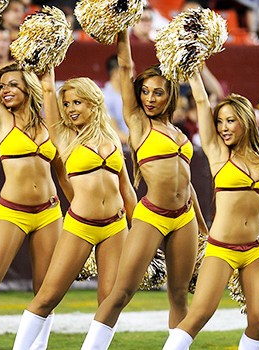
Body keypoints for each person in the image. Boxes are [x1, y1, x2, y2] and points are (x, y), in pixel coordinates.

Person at [80, 28, 208, 349]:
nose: (150, 98)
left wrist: (203, 227)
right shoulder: (138, 122)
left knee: (179, 295)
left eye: (158, 93)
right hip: (152, 216)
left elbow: (187, 184)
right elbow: (126, 67)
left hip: (186, 219)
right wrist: (122, 28)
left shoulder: (178, 132)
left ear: (170, 96)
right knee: (120, 292)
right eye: (146, 92)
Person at [12, 67, 137, 349]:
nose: (70, 109)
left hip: (116, 226)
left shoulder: (113, 137)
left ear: (93, 103)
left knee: (111, 300)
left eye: (76, 102)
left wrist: (141, 229)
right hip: (81, 225)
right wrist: (48, 71)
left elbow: (126, 188)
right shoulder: (64, 136)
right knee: (47, 296)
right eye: (66, 104)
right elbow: (47, 92)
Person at [162, 70, 259, 349]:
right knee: (199, 314)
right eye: (220, 121)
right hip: (221, 249)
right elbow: (201, 101)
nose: (223, 127)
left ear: (246, 122)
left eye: (230, 121)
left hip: (256, 251)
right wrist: (194, 68)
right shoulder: (218, 153)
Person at [0, 62, 72, 349]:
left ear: (27, 87)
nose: (5, 91)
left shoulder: (49, 123)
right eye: (2, 86)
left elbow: (62, 172)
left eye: (12, 84)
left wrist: (79, 210)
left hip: (49, 213)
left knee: (47, 292)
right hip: (12, 212)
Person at [102, 54, 129, 147]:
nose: (133, 72)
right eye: (129, 69)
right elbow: (114, 133)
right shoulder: (105, 98)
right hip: (121, 150)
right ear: (115, 73)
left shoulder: (132, 94)